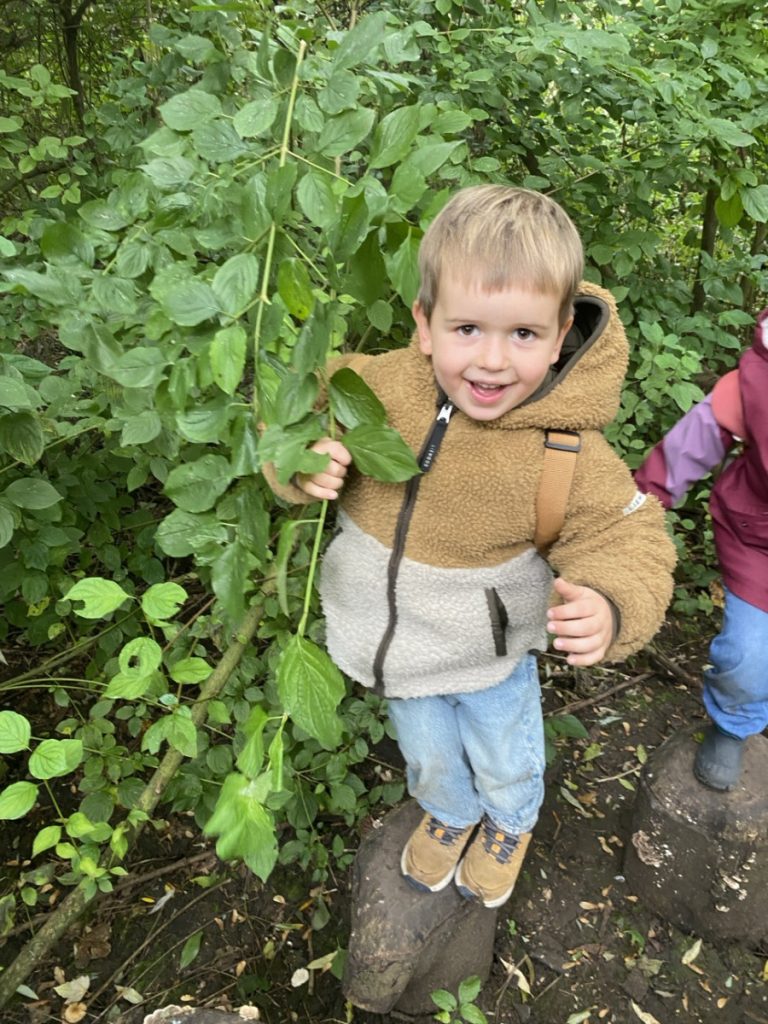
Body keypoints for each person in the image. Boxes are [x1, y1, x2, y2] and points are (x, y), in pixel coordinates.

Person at [264, 185, 675, 908]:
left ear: (560, 335)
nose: (491, 360)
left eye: (523, 335)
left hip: (488, 657)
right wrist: (299, 460)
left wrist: (612, 604)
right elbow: (293, 411)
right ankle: (450, 812)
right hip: (394, 647)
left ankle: (510, 822)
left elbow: (627, 534)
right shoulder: (373, 386)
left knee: (503, 749)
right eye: (467, 328)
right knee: (426, 750)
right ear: (425, 324)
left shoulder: (564, 449)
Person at [635, 308, 768, 792]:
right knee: (748, 654)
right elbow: (690, 444)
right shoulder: (756, 383)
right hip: (758, 543)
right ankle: (734, 721)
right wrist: (642, 504)